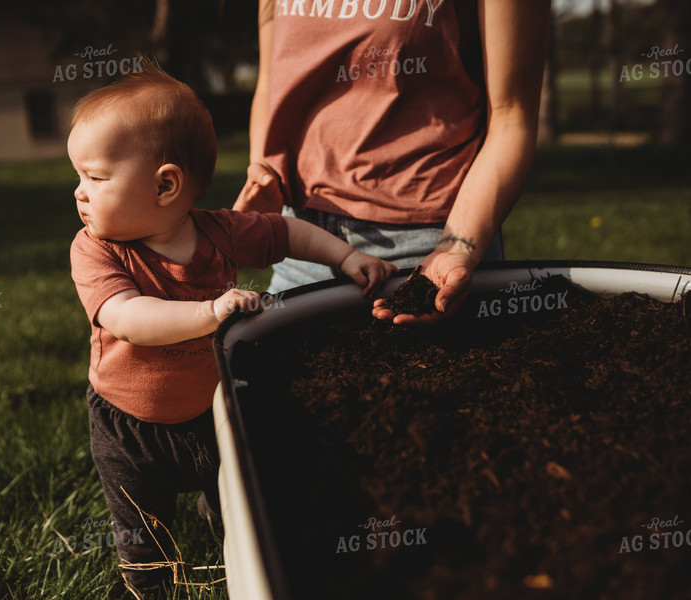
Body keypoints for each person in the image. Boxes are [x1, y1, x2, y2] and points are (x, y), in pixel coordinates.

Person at [68, 60, 397, 597]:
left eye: (96, 177)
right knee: (141, 532)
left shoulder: (219, 231)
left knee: (238, 505)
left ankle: (238, 561)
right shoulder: (95, 250)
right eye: (79, 177)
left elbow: (286, 232)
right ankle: (154, 588)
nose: (79, 192)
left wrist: (347, 257)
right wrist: (210, 312)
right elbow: (127, 318)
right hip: (130, 426)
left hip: (213, 408)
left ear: (165, 185)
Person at [234, 0, 551, 325]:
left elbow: (512, 119)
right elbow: (274, 81)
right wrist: (263, 169)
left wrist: (456, 248)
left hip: (426, 251)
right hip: (302, 245)